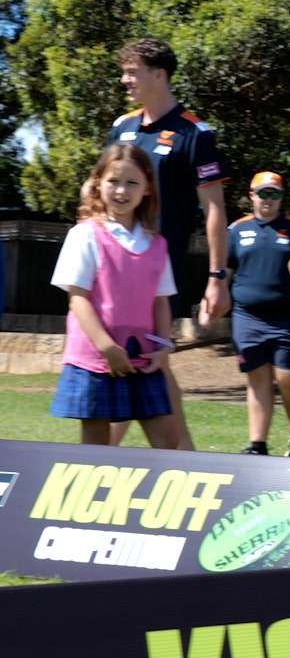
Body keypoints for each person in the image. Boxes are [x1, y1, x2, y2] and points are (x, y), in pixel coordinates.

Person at [107, 37, 228, 449]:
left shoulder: (195, 133)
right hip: (114, 266)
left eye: (132, 72)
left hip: (160, 269)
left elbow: (214, 209)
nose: (124, 80)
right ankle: (185, 455)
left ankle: (100, 453)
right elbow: (104, 191)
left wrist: (217, 276)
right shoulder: (121, 127)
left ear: (159, 75)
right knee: (142, 358)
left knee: (140, 356)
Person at [49, 144, 182, 448]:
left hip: (145, 358)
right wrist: (106, 347)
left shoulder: (157, 244)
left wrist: (163, 348)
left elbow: (160, 301)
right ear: (98, 183)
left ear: (147, 187)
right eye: (113, 181)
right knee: (96, 447)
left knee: (168, 440)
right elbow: (77, 298)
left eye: (132, 183)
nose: (121, 191)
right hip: (96, 360)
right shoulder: (84, 235)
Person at [225, 171, 290, 457]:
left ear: (281, 197)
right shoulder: (236, 230)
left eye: (274, 194)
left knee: (287, 375)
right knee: (257, 377)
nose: (268, 199)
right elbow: (225, 271)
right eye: (263, 193)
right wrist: (214, 297)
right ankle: (257, 444)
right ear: (252, 195)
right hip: (247, 317)